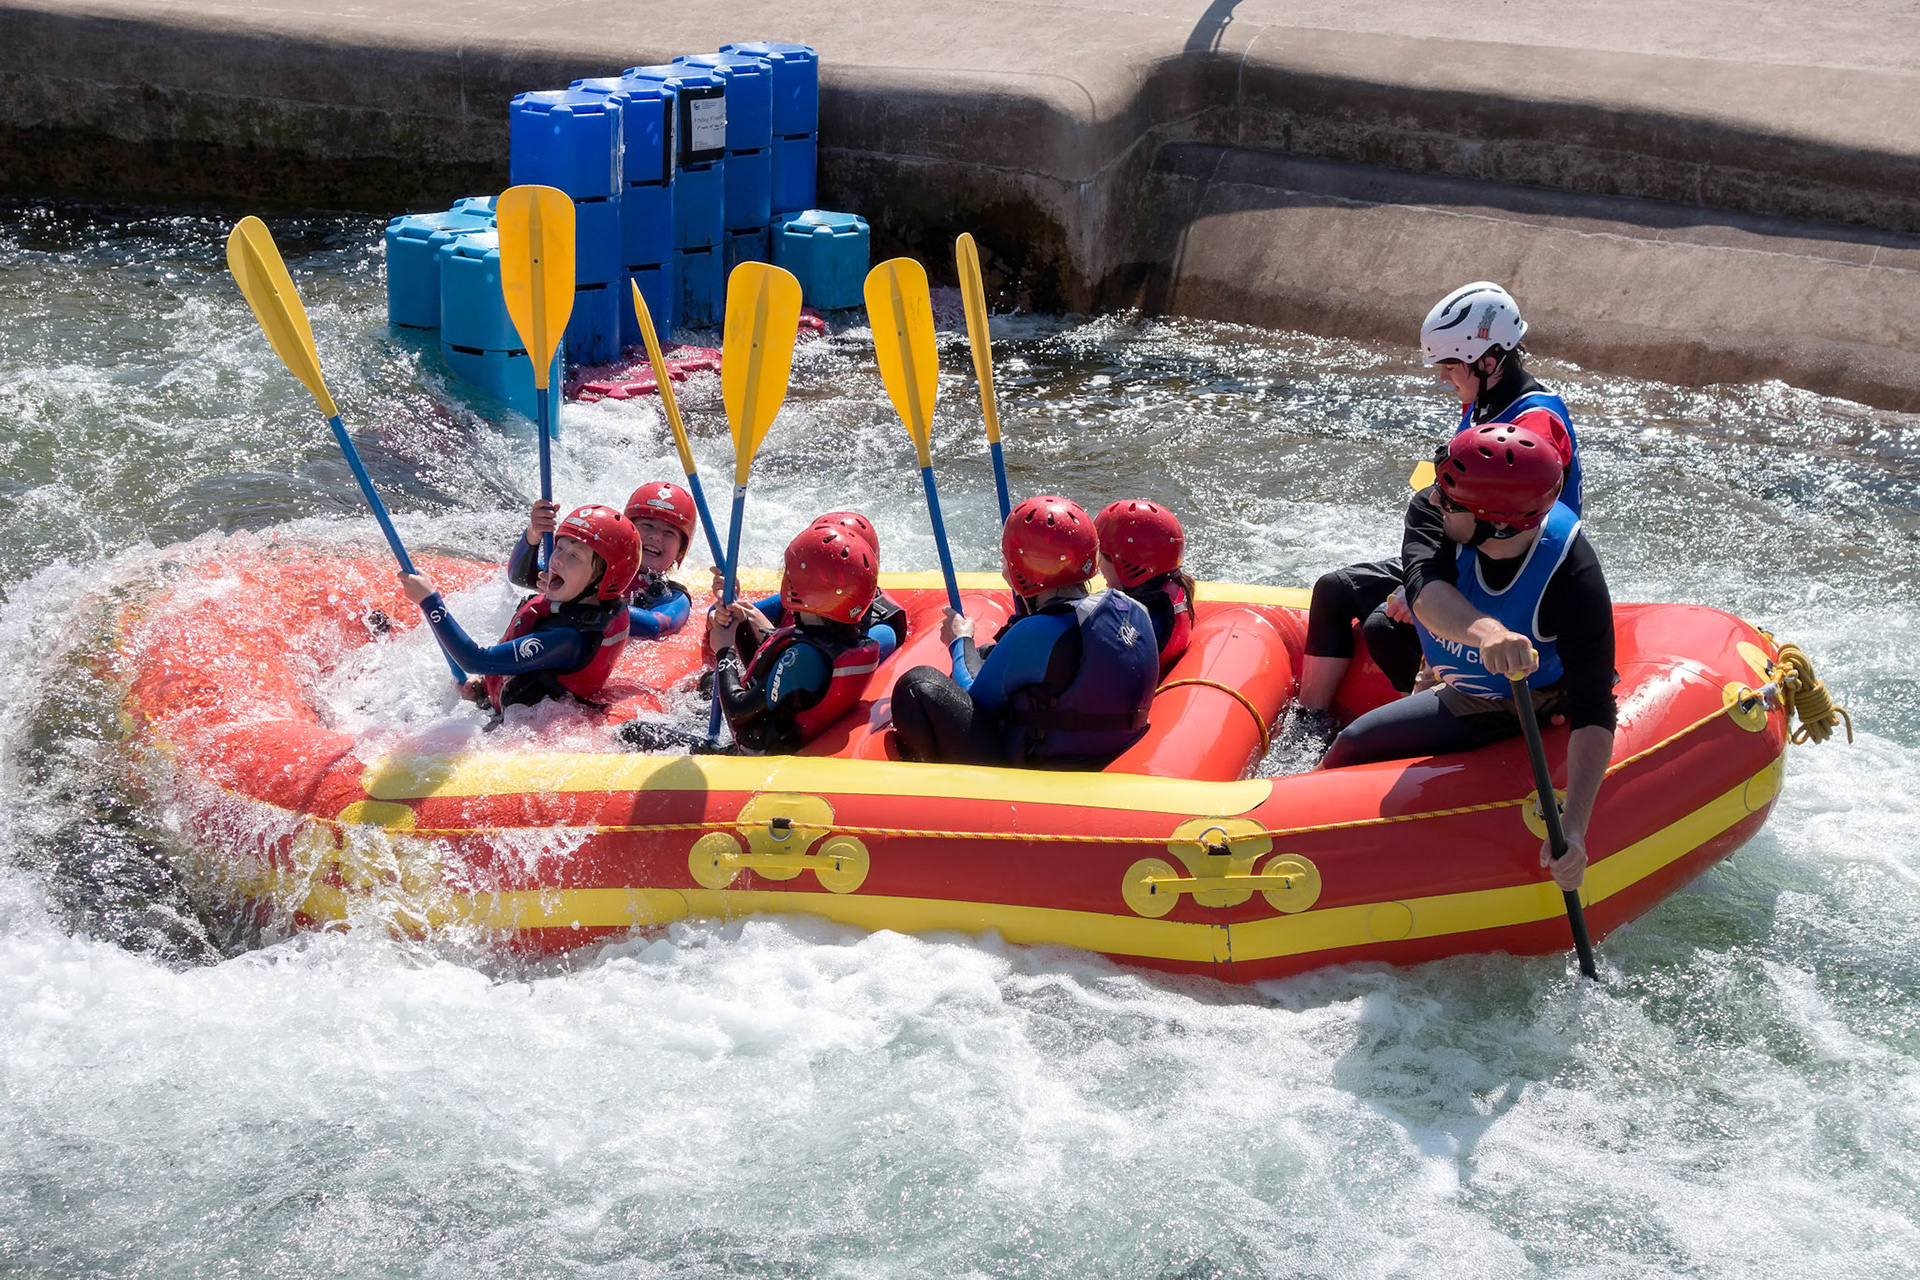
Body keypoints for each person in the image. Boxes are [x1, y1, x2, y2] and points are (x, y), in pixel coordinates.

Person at [1287, 281, 1583, 751]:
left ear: (1488, 361)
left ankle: (1436, 718)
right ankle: (1307, 725)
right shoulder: (1483, 400)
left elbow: (1510, 528)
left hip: (1510, 573)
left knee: (1385, 627)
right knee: (1335, 589)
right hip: (1461, 546)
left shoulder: (1533, 426)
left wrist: (1421, 585)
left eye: (1450, 366)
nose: (1443, 377)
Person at [1321, 422, 1615, 891]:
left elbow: (1596, 708)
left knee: (1359, 741)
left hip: (1529, 696)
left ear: (1496, 521)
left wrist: (1576, 829)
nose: (1435, 499)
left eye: (1450, 499)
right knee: (1351, 744)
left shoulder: (1573, 575)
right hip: (1464, 674)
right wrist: (1490, 633)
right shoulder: (1430, 509)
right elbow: (1425, 593)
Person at [891, 495, 1159, 768]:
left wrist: (960, 641)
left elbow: (974, 699)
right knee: (987, 653)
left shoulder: (1039, 631)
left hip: (1042, 771)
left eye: (1007, 557)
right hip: (1108, 756)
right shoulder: (1134, 609)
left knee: (917, 683)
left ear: (1024, 569)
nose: (1003, 561)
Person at [402, 504, 641, 715]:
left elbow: (474, 659)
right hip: (507, 711)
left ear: (604, 578)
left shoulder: (569, 639)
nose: (556, 560)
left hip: (536, 737)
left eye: (574, 556)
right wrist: (534, 532)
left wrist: (430, 602)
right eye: (560, 547)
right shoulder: (570, 594)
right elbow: (518, 575)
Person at [704, 525, 891, 754]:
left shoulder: (805, 658)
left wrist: (724, 650)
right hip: (781, 727)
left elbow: (738, 712)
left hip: (755, 758)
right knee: (707, 682)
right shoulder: (839, 637)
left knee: (646, 731)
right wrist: (739, 618)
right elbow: (773, 670)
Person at [511, 481, 698, 641]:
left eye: (669, 533)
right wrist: (535, 532)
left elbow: (656, 626)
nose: (656, 536)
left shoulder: (672, 596)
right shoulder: (593, 568)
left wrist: (581, 599)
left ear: (680, 551)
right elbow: (520, 576)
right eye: (647, 525)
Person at [1095, 499, 1194, 676]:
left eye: (1102, 556)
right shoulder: (1170, 593)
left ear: (1123, 564)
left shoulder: (1135, 623)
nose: (1099, 567)